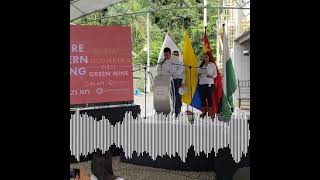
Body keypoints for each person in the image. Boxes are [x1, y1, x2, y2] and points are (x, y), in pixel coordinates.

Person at [157, 47, 185, 116]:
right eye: (165, 55)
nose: (166, 56)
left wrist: (174, 74)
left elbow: (181, 68)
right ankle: (167, 111)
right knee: (169, 96)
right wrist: (164, 74)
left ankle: (177, 112)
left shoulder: (176, 59)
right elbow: (158, 70)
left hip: (175, 79)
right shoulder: (161, 60)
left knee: (176, 95)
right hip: (165, 79)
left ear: (170, 53)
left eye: (167, 55)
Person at [198, 52, 217, 118]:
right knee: (202, 98)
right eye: (204, 57)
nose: (205, 58)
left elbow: (215, 75)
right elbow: (197, 74)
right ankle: (203, 112)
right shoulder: (201, 65)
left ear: (209, 58)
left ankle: (210, 112)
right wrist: (199, 74)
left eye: (207, 57)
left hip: (209, 84)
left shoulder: (212, 65)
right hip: (201, 84)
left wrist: (211, 76)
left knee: (209, 98)